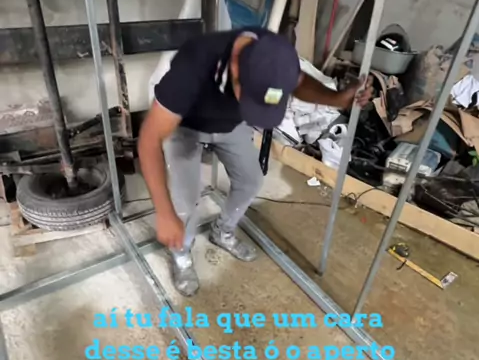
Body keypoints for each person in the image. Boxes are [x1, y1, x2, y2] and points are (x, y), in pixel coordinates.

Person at [139, 27, 372, 296]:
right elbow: (149, 140)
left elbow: (298, 82)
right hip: (185, 125)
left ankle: (223, 231)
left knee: (251, 180)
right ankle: (181, 254)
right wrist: (164, 213)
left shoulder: (275, 55)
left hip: (230, 124)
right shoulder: (194, 64)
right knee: (184, 201)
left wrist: (336, 99)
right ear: (236, 72)